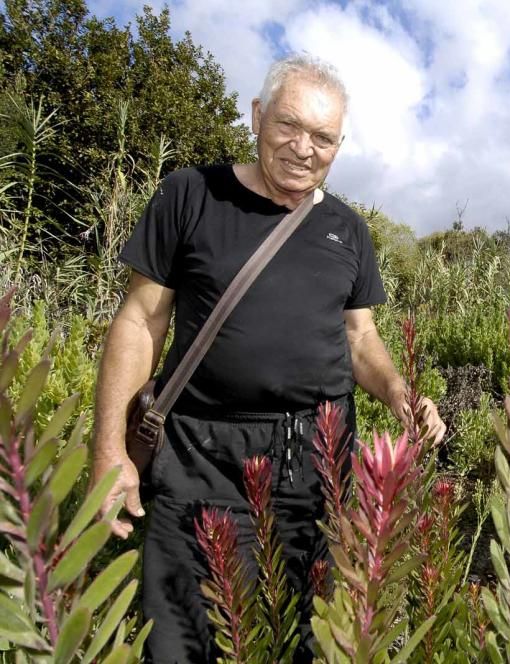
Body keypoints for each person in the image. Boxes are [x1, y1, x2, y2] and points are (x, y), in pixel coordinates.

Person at [89, 53, 446, 663]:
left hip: (316, 464)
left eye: (324, 137)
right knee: (181, 641)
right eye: (289, 126)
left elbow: (360, 337)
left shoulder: (347, 229)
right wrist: (109, 451)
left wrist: (398, 394)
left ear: (339, 144)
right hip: (201, 459)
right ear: (257, 116)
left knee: (313, 640)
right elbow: (139, 321)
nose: (304, 149)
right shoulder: (191, 195)